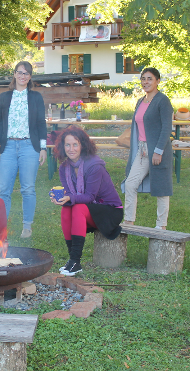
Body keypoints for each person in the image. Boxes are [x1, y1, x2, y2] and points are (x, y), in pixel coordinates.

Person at [50, 126, 123, 276]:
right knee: (66, 208)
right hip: (89, 210)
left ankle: (75, 261)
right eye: (67, 145)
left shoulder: (94, 166)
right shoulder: (64, 168)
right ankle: (72, 260)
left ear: (82, 145)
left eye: (75, 144)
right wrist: (60, 197)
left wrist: (70, 197)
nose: (71, 149)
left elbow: (89, 197)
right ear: (63, 146)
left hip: (110, 211)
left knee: (78, 207)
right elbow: (70, 194)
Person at [0, 61, 47, 238]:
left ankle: (27, 227)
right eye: (20, 72)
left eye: (27, 73)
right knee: (3, 190)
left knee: (28, 189)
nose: (23, 76)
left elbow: (41, 123)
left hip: (29, 146)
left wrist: (43, 148)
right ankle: (0, 228)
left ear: (30, 77)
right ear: (14, 74)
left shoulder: (36, 97)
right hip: (7, 146)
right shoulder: (5, 97)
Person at [121, 67, 174, 229]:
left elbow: (166, 128)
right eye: (143, 79)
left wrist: (158, 151)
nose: (146, 82)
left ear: (158, 81)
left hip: (159, 150)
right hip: (142, 150)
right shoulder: (140, 101)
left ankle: (161, 226)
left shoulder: (162, 101)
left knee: (161, 188)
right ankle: (129, 221)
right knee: (130, 184)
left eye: (150, 78)